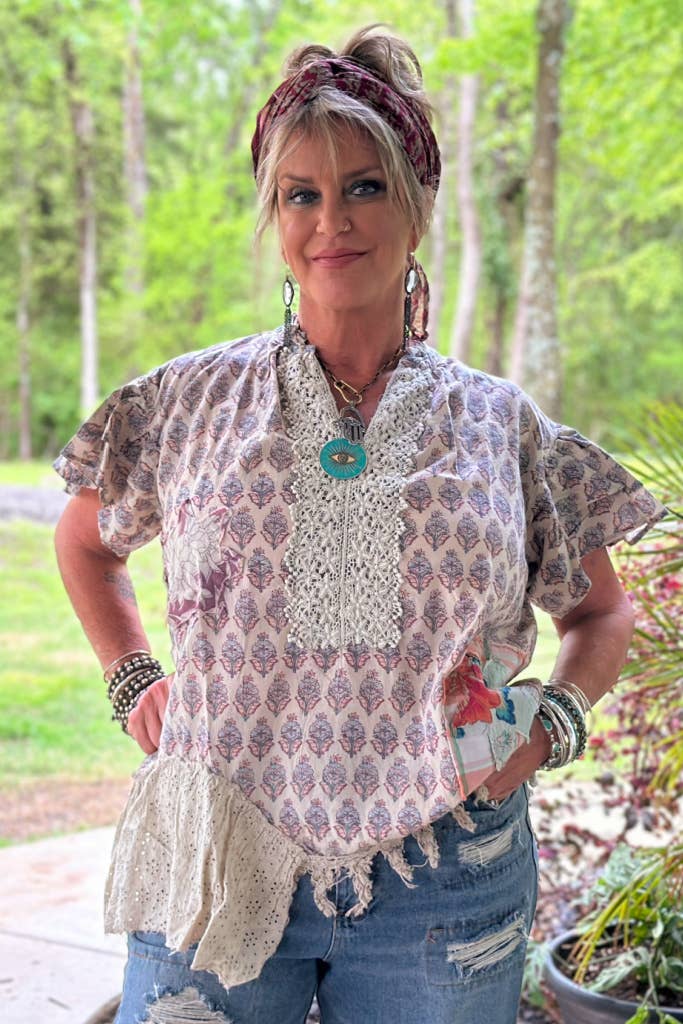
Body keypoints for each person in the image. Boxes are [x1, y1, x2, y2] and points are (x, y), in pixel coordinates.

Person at [54, 25, 665, 1024]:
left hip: (445, 876)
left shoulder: (499, 426)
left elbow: (600, 611)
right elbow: (85, 541)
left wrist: (551, 722)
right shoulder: (189, 402)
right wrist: (132, 678)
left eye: (364, 187)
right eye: (300, 193)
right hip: (215, 856)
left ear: (417, 209)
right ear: (276, 218)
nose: (331, 219)